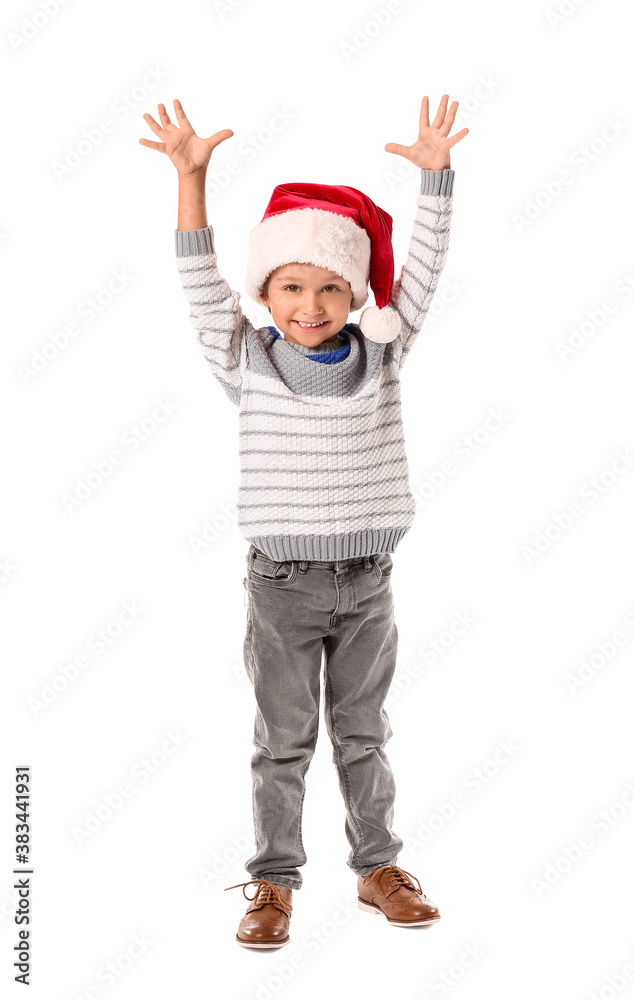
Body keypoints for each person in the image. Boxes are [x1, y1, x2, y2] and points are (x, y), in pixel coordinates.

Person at [139, 94, 468, 950]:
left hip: (367, 582)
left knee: (363, 733)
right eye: (291, 285)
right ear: (268, 290)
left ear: (356, 292)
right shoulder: (247, 358)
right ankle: (274, 882)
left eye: (330, 286)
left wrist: (435, 179)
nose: (311, 304)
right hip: (280, 585)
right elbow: (198, 284)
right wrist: (191, 181)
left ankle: (377, 867)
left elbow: (424, 272)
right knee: (283, 742)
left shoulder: (385, 351)